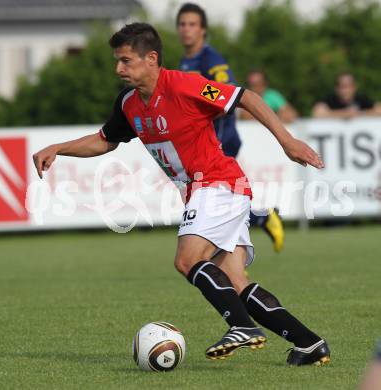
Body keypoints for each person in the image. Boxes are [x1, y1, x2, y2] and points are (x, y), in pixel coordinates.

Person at [33, 22, 330, 365]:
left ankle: (242, 327)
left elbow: (244, 97)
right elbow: (105, 140)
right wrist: (59, 147)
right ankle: (309, 344)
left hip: (217, 183)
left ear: (152, 58)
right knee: (234, 282)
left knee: (187, 260)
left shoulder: (186, 86)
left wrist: (287, 141)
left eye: (126, 61)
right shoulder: (129, 103)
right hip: (203, 191)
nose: (119, 69)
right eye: (117, 61)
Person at [176, 3, 284, 253]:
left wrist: (200, 111)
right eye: (182, 24)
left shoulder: (210, 59)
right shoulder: (186, 60)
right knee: (214, 202)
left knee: (209, 200)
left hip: (221, 136)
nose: (186, 30)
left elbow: (228, 95)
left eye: (192, 24)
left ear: (203, 30)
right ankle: (246, 240)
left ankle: (258, 223)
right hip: (206, 140)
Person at [312, 72, 381, 119]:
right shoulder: (331, 100)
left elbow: (379, 110)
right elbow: (317, 113)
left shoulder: (361, 99)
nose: (346, 91)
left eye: (348, 86)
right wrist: (344, 114)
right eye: (343, 86)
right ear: (336, 88)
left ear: (354, 87)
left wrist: (359, 114)